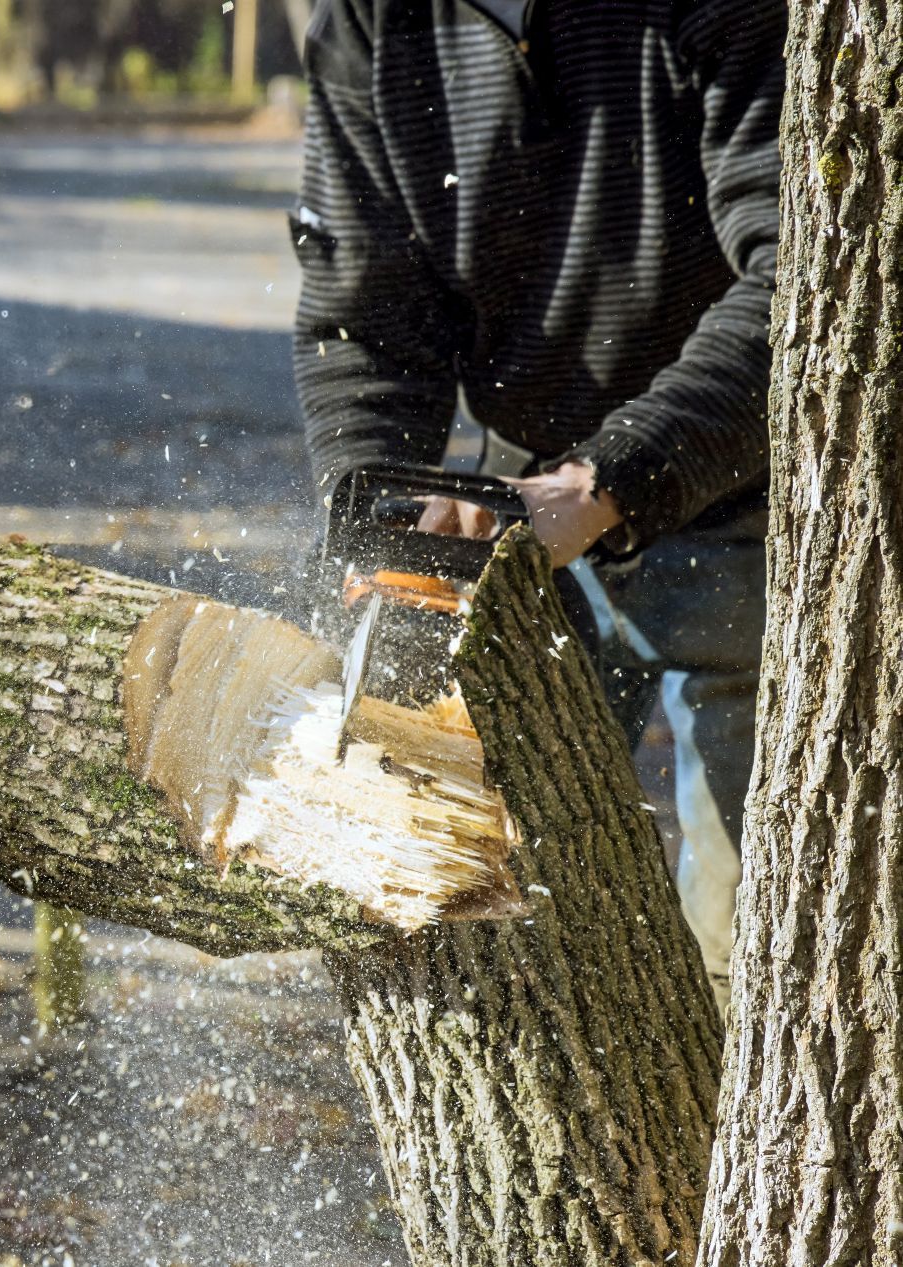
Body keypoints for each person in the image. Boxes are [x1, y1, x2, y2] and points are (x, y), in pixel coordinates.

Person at [292, 0, 785, 998]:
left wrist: (610, 478)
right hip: (528, 489)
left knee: (751, 946)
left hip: (742, 489)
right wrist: (384, 513)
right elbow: (364, 315)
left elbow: (800, 276)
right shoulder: (368, 20)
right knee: (498, 922)